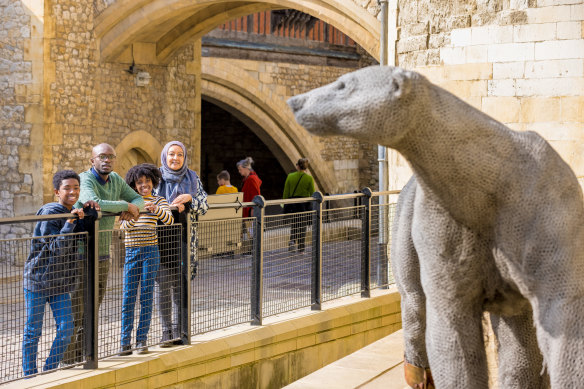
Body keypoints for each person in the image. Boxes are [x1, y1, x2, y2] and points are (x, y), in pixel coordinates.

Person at [64, 143, 144, 364]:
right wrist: (125, 205)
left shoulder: (116, 180)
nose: (106, 160)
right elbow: (94, 203)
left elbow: (139, 200)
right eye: (102, 156)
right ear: (93, 160)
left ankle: (86, 354)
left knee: (94, 308)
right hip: (81, 254)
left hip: (102, 254)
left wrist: (130, 206)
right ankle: (68, 360)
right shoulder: (86, 179)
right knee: (77, 309)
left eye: (110, 156)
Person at [22, 170, 99, 375]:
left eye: (76, 188)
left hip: (61, 283)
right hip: (37, 280)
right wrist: (70, 222)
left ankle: (49, 370)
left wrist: (88, 213)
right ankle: (30, 375)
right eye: (67, 188)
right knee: (33, 331)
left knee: (67, 329)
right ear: (57, 191)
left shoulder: (71, 211)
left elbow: (82, 236)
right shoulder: (51, 212)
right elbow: (57, 248)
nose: (73, 191)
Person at [155, 140, 208, 346]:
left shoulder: (193, 178)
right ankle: (166, 331)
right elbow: (145, 200)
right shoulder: (155, 177)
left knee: (180, 285)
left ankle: (180, 329)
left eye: (179, 154)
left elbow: (204, 206)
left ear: (184, 157)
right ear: (164, 156)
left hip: (184, 241)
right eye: (171, 154)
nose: (175, 158)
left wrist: (190, 199)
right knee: (163, 287)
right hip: (159, 241)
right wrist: (166, 207)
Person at [119, 164, 174, 355]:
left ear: (153, 181)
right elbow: (122, 227)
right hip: (132, 253)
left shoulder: (159, 200)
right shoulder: (129, 201)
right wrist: (134, 215)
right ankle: (124, 343)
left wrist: (155, 210)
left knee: (146, 296)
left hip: (151, 252)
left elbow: (169, 220)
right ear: (134, 185)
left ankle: (142, 341)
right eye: (140, 182)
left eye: (147, 181)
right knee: (128, 297)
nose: (144, 185)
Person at [283, 158, 315, 252]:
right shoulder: (309, 178)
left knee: (294, 223)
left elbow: (286, 193)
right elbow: (312, 193)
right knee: (302, 225)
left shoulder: (290, 176)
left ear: (297, 166)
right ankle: (301, 247)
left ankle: (292, 241)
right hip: (303, 206)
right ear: (306, 167)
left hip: (292, 204)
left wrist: (285, 205)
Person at [237, 157, 262, 245]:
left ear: (246, 168)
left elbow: (256, 194)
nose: (239, 171)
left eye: (240, 169)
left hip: (250, 209)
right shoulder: (248, 179)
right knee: (250, 230)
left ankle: (253, 249)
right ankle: (252, 249)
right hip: (248, 208)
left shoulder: (251, 179)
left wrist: (253, 208)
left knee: (252, 230)